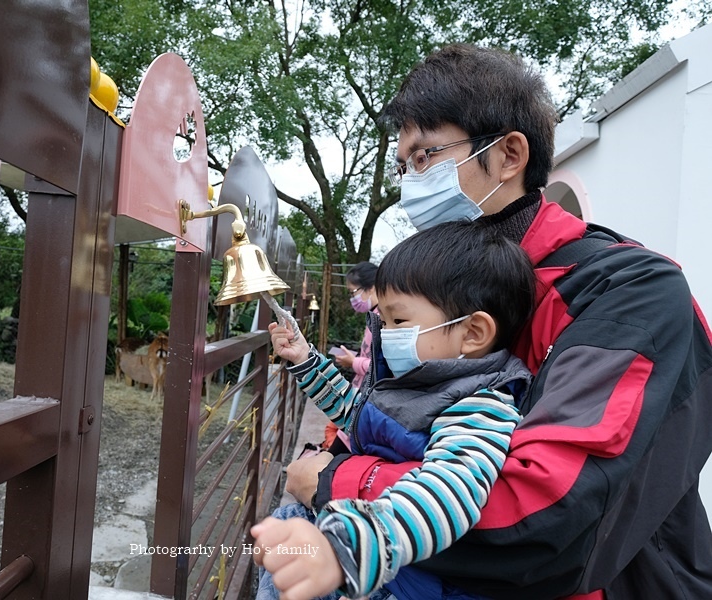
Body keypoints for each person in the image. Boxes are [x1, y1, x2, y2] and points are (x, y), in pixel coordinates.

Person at [273, 43, 712, 599]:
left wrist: (336, 482)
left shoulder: (628, 293)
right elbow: (389, 414)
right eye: (403, 165)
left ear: (509, 155)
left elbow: (540, 520)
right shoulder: (433, 293)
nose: (411, 182)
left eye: (426, 156)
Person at [254, 220, 536, 600]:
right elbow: (358, 415)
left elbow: (448, 490)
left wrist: (349, 546)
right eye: (383, 322)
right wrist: (306, 360)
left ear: (473, 333)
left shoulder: (481, 404)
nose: (385, 335)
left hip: (399, 580)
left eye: (398, 321)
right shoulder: (424, 382)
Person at [325, 261, 378, 452]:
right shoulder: (374, 315)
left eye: (353, 292)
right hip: (359, 398)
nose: (352, 298)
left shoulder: (382, 319)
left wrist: (354, 362)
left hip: (366, 401)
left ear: (371, 288)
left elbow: (382, 365)